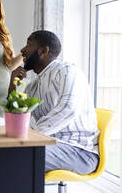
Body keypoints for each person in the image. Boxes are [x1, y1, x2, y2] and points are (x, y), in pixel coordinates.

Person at [10, 30, 99, 174]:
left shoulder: (67, 71)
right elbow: (16, 118)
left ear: (44, 51)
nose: (22, 50)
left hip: (79, 150)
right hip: (50, 144)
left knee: (14, 157)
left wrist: (30, 136)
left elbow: (68, 109)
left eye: (29, 44)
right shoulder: (34, 85)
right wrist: (12, 85)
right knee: (1, 153)